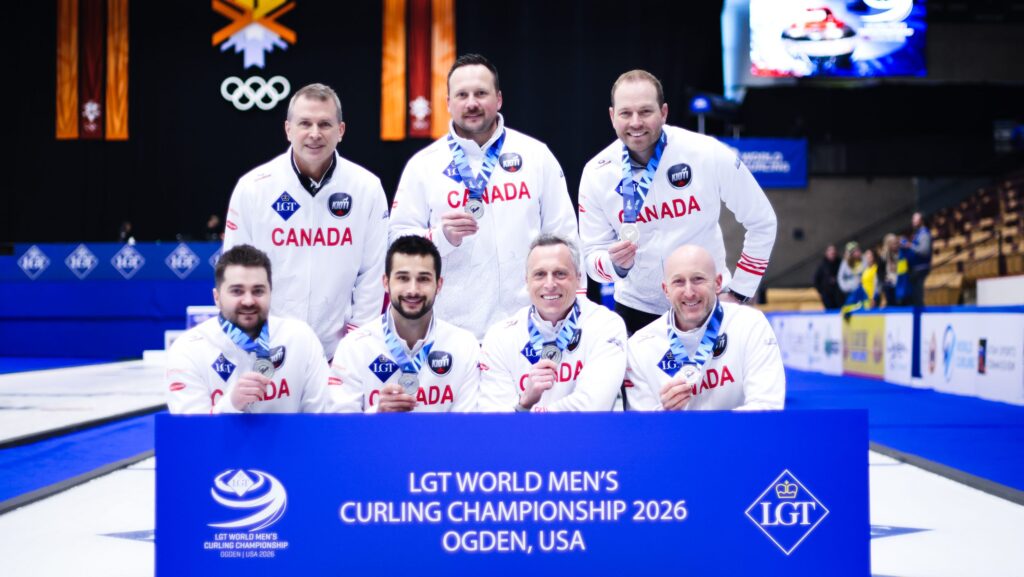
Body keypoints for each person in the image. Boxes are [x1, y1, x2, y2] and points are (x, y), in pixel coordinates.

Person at [389, 54, 581, 339]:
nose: (471, 103)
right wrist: (441, 237)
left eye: (481, 93)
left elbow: (566, 237)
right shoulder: (424, 165)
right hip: (452, 331)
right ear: (448, 104)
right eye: (462, 95)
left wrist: (576, 308)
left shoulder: (535, 155)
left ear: (499, 99)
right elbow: (395, 242)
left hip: (530, 326)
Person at [578, 70, 777, 335]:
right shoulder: (597, 172)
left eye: (645, 112)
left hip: (707, 306)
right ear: (612, 116)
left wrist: (741, 291)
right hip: (638, 313)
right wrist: (614, 266)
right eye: (626, 113)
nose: (636, 122)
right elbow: (591, 260)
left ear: (664, 112)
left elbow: (763, 221)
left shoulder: (706, 152)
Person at [223, 83, 389, 356]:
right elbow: (234, 270)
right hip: (267, 347)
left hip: (338, 351)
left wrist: (358, 343)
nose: (314, 134)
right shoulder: (253, 187)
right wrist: (251, 339)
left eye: (324, 124)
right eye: (305, 124)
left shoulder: (366, 188)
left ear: (341, 131)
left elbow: (372, 274)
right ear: (288, 130)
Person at [165, 244, 334, 414]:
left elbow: (323, 420)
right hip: (222, 442)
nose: (248, 301)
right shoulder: (188, 350)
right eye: (237, 291)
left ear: (270, 293)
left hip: (294, 441)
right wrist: (231, 404)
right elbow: (190, 434)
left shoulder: (300, 338)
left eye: (258, 291)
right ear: (217, 298)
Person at [625, 245, 784, 411]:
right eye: (678, 282)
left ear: (718, 283)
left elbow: (767, 408)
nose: (689, 292)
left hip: (738, 436)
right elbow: (641, 427)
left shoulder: (750, 324)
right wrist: (665, 415)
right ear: (666, 290)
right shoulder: (639, 347)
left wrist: (706, 429)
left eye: (698, 279)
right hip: (678, 437)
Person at [477, 234, 627, 412]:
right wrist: (524, 402)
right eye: (540, 274)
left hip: (586, 437)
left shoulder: (606, 325)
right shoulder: (500, 337)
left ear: (578, 278)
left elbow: (592, 406)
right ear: (527, 281)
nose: (550, 284)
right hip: (522, 440)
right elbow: (495, 421)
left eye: (560, 274)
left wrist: (526, 414)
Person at [330, 235, 479, 412]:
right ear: (385, 283)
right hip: (376, 440)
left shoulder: (464, 345)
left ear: (439, 285)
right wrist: (376, 415)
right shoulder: (354, 347)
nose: (413, 290)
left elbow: (467, 428)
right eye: (403, 278)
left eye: (423, 279)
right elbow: (338, 430)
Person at [840, 248, 881, 319]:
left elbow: (877, 285)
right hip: (864, 297)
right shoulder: (865, 269)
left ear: (873, 258)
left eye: (870, 256)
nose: (867, 258)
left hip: (871, 299)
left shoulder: (876, 269)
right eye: (866, 256)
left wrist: (874, 298)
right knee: (849, 307)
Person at [905, 212, 932, 307]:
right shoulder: (918, 233)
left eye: (915, 219)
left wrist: (910, 245)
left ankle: (920, 316)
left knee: (918, 296)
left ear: (921, 221)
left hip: (920, 269)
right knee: (915, 296)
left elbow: (924, 250)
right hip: (916, 269)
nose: (912, 221)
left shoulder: (924, 233)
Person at [881, 233, 911, 307]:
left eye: (896, 243)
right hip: (890, 286)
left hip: (902, 285)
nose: (896, 245)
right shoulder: (884, 257)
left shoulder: (902, 253)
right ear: (888, 245)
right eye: (893, 244)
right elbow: (881, 273)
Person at [813, 244, 843, 309]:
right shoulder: (822, 265)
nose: (832, 254)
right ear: (826, 253)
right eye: (830, 252)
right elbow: (816, 279)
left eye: (834, 252)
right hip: (827, 295)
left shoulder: (841, 263)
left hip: (839, 295)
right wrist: (821, 292)